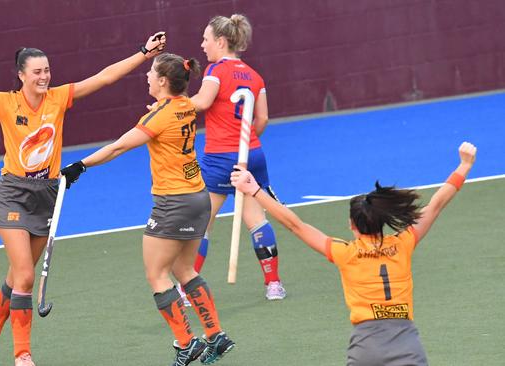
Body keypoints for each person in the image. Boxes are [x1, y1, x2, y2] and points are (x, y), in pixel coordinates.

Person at [0, 32, 166, 366]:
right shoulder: (5, 103)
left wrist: (143, 53)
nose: (44, 76)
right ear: (21, 75)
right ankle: (23, 355)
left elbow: (104, 77)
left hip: (47, 195)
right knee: (26, 276)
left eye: (47, 70)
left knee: (18, 275)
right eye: (37, 72)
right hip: (13, 195)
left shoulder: (59, 98)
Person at [231, 142, 477, 365]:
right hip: (407, 346)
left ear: (352, 225)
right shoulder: (404, 243)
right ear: (382, 222)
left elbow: (296, 225)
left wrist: (255, 190)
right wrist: (464, 166)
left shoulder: (344, 252)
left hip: (365, 349)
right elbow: (436, 205)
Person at [61, 53, 235, 366]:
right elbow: (172, 115)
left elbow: (118, 147)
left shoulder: (159, 115)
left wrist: (80, 166)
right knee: (184, 270)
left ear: (163, 81)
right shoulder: (185, 105)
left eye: (151, 73)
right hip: (199, 197)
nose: (147, 77)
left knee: (156, 274)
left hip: (174, 202)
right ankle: (215, 334)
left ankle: (186, 343)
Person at [189, 14, 286, 300]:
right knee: (257, 221)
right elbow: (263, 118)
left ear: (220, 41)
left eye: (206, 39)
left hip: (219, 158)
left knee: (201, 221)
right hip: (252, 154)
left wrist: (171, 104)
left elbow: (202, 103)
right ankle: (273, 284)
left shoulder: (215, 71)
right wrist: (246, 140)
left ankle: (187, 289)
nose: (203, 44)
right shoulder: (255, 76)